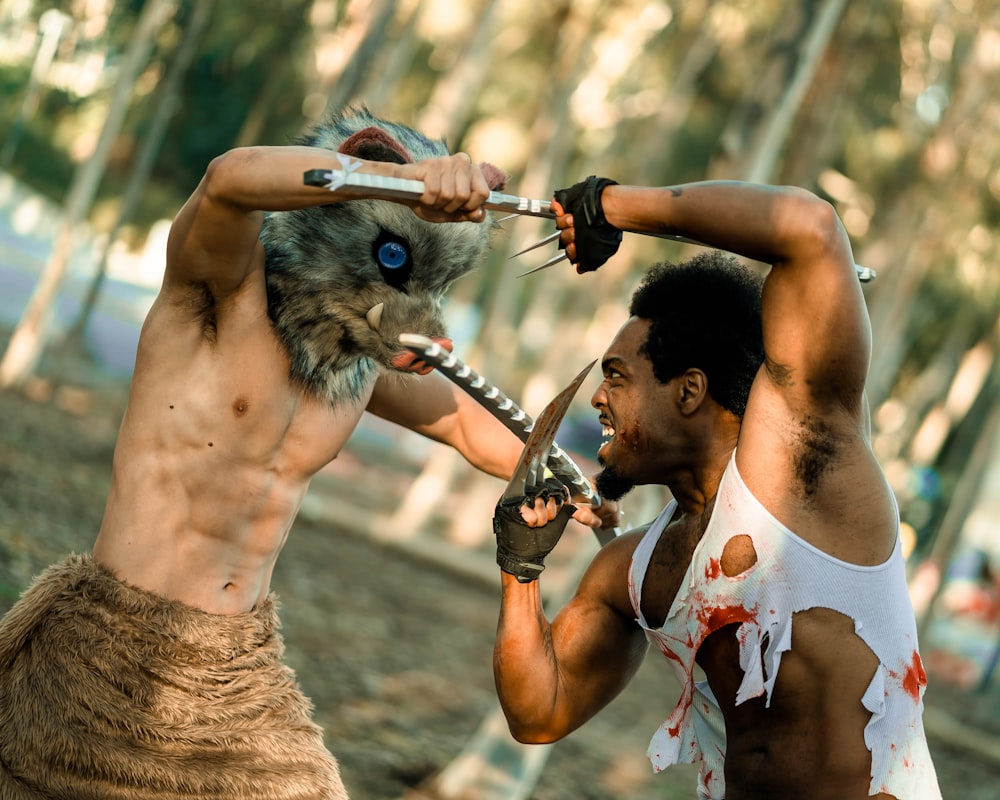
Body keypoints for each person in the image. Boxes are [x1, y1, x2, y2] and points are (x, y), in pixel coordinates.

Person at [0, 108, 612, 800]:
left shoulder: (356, 368)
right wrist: (393, 179)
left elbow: (468, 427)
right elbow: (228, 180)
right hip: (115, 643)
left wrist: (586, 485)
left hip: (236, 671)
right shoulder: (215, 296)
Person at [491, 177, 942, 799]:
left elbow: (811, 228)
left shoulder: (807, 465)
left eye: (617, 377)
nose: (597, 397)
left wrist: (613, 206)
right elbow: (540, 713)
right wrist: (520, 566)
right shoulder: (636, 569)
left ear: (689, 390)